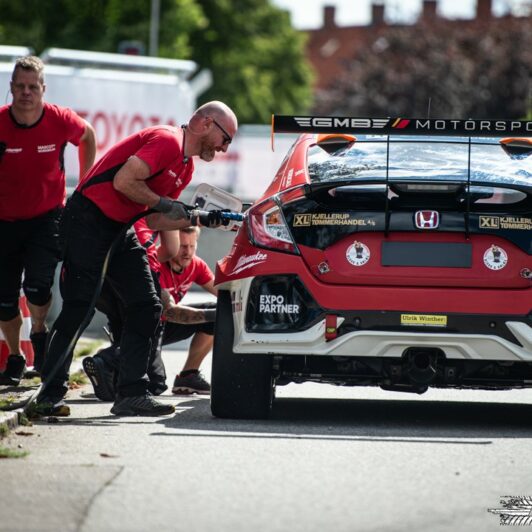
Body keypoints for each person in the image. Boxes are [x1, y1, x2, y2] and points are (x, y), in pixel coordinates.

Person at [35, 100, 237, 417]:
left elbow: (152, 219)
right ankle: (49, 394)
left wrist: (197, 219)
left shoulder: (186, 166)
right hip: (89, 220)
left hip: (121, 227)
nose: (225, 148)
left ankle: (131, 393)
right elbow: (124, 182)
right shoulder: (168, 140)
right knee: (80, 307)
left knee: (147, 306)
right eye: (226, 139)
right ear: (206, 123)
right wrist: (165, 203)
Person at [0, 55, 96, 386]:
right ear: (11, 89)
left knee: (38, 286)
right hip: (4, 221)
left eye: (32, 87)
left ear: (43, 89)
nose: (26, 93)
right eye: (20, 86)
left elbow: (87, 136)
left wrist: (83, 186)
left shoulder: (58, 119)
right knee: (4, 299)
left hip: (47, 217)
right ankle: (15, 357)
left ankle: (39, 334)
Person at [84, 226, 218, 400]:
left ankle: (188, 376)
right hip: (144, 323)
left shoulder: (196, 265)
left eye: (192, 246)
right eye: (183, 246)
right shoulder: (154, 265)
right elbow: (170, 312)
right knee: (156, 383)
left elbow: (222, 292)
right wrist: (212, 314)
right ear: (171, 243)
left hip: (162, 324)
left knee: (216, 317)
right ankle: (105, 361)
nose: (188, 252)